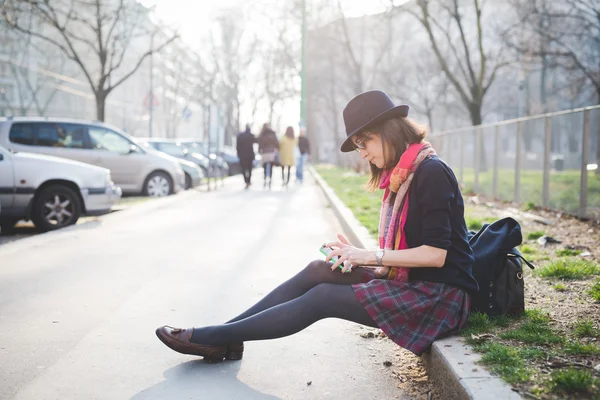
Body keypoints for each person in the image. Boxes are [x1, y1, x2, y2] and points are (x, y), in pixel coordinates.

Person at [155, 89, 478, 363]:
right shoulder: (403, 174)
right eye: (358, 145)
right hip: (414, 284)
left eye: (365, 142)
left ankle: (214, 336)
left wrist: (366, 255)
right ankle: (227, 335)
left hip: (439, 297)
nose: (363, 153)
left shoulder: (431, 172)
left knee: (323, 297)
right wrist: (356, 255)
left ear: (390, 130)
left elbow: (436, 255)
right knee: (318, 269)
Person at [256, 123, 279, 189]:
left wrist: (260, 150)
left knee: (265, 167)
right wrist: (276, 148)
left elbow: (259, 143)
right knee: (271, 167)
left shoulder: (262, 134)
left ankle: (265, 180)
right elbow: (276, 142)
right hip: (271, 152)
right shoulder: (273, 133)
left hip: (264, 152)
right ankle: (270, 181)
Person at [236, 124, 256, 189]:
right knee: (250, 169)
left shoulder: (241, 136)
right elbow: (256, 141)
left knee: (244, 169)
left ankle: (246, 181)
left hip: (242, 155)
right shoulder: (251, 136)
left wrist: (238, 154)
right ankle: (248, 181)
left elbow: (237, 146)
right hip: (250, 155)